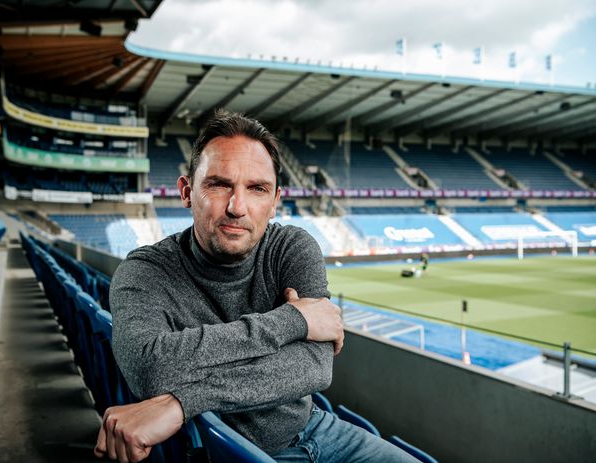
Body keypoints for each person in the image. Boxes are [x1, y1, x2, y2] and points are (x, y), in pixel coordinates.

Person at [95, 110, 417, 462]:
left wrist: (181, 402)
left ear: (275, 200)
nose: (237, 207)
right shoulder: (144, 271)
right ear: (187, 192)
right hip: (224, 451)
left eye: (257, 189)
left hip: (314, 429)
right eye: (219, 185)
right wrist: (294, 320)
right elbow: (150, 368)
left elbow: (314, 365)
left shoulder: (292, 249)